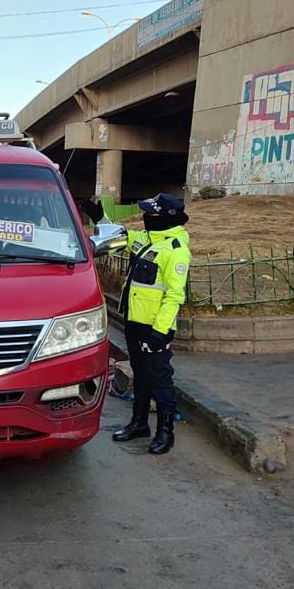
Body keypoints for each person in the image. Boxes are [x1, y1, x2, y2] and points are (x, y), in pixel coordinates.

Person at [107, 193, 191, 455]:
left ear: (164, 218)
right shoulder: (148, 239)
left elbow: (175, 296)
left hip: (154, 328)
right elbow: (122, 235)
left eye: (150, 213)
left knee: (160, 379)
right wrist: (99, 216)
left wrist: (160, 331)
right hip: (134, 321)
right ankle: (139, 423)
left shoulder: (175, 251)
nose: (145, 217)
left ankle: (166, 433)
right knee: (140, 375)